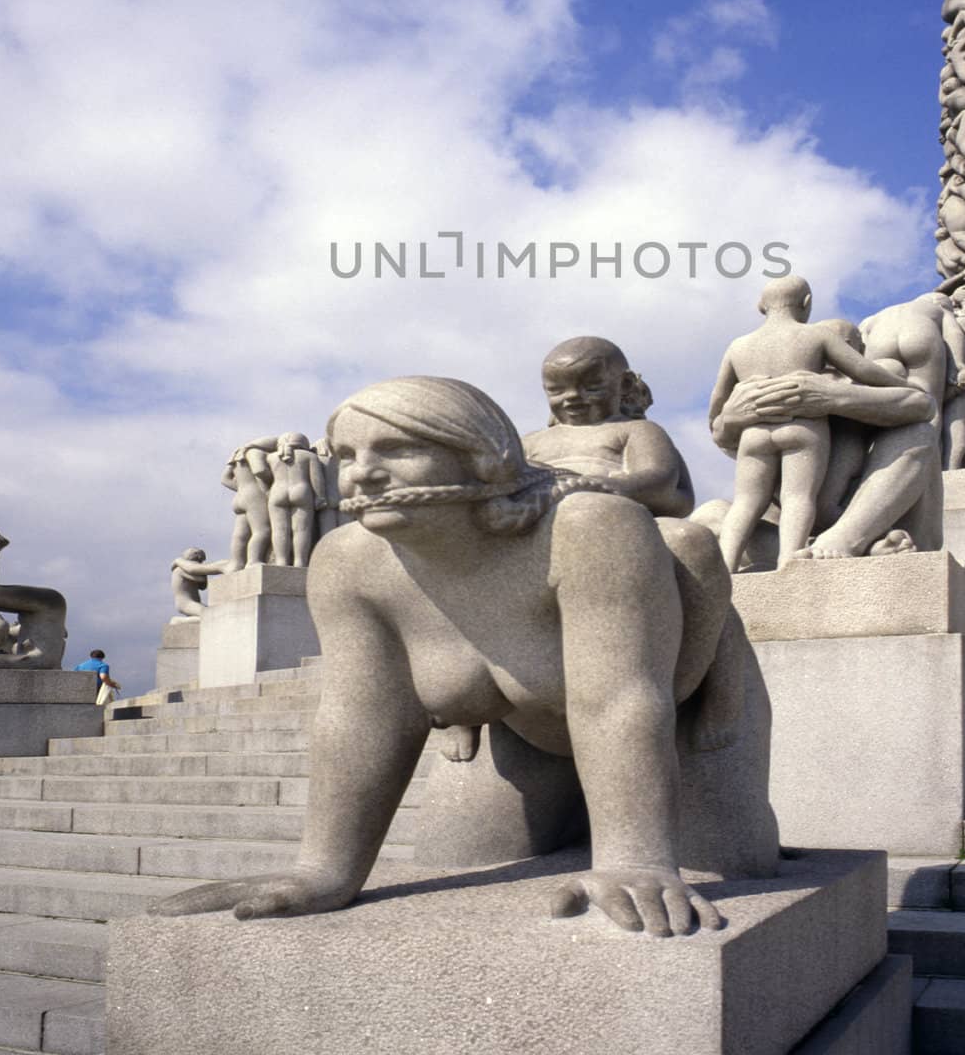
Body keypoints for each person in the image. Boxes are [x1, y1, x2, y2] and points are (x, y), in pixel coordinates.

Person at [151, 375, 772, 935]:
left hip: (686, 726)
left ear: (482, 460)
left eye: (395, 450)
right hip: (519, 736)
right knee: (460, 853)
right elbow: (362, 719)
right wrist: (324, 872)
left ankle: (646, 810)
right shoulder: (349, 562)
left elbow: (618, 701)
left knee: (727, 869)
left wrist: (633, 858)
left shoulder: (588, 528)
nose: (360, 474)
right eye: (347, 456)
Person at [707, 277, 910, 570]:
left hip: (754, 433)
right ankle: (788, 561)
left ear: (760, 306)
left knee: (746, 502)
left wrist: (729, 416)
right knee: (798, 497)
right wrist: (899, 385)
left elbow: (718, 402)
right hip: (802, 429)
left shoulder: (738, 346)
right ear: (806, 304)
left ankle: (724, 568)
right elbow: (863, 370)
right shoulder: (814, 335)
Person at [522, 336, 694, 518]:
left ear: (625, 384)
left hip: (614, 514)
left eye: (592, 387)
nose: (572, 395)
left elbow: (660, 477)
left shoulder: (637, 430)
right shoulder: (530, 442)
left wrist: (604, 485)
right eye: (556, 390)